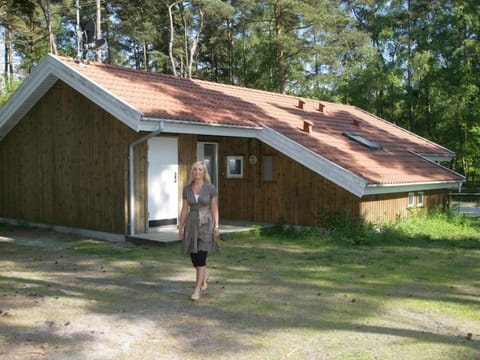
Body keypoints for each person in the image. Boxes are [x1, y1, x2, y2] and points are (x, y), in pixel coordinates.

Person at [178, 161, 220, 301]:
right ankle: (205, 276)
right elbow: (185, 209)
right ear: (192, 172)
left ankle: (196, 290)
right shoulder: (187, 189)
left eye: (200, 170)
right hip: (191, 224)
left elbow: (214, 208)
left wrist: (216, 226)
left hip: (207, 223)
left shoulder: (210, 188)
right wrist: (181, 226)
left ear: (204, 172)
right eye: (195, 170)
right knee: (194, 257)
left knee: (201, 257)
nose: (197, 172)